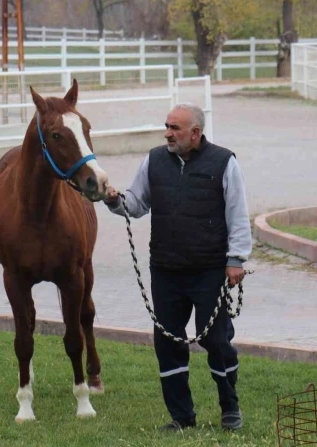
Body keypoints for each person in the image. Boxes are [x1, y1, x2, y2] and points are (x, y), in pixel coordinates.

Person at [103, 103, 252, 432]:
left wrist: (236, 259)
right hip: (166, 270)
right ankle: (181, 417)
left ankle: (230, 407)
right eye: (166, 126)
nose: (168, 133)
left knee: (216, 341)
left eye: (175, 128)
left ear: (195, 133)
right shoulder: (154, 160)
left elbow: (237, 213)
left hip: (210, 270)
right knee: (167, 343)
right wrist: (113, 199)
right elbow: (136, 203)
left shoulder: (224, 162)